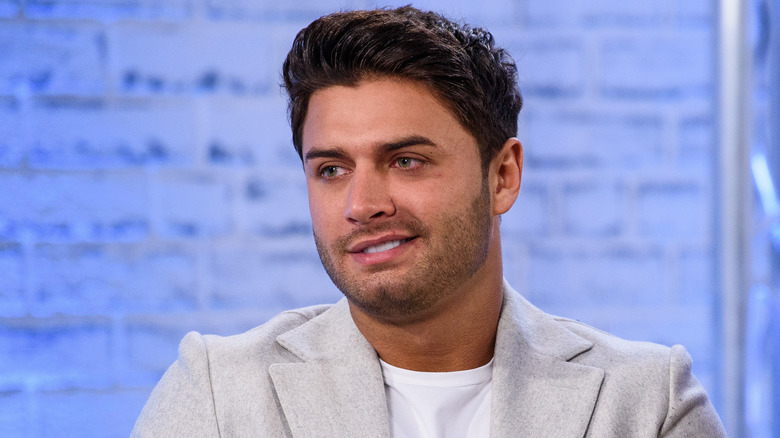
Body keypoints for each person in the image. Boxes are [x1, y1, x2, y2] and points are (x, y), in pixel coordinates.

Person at [132, 6, 726, 437]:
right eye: (332, 169)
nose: (363, 204)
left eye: (406, 160)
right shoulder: (218, 394)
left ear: (503, 176)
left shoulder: (646, 404)